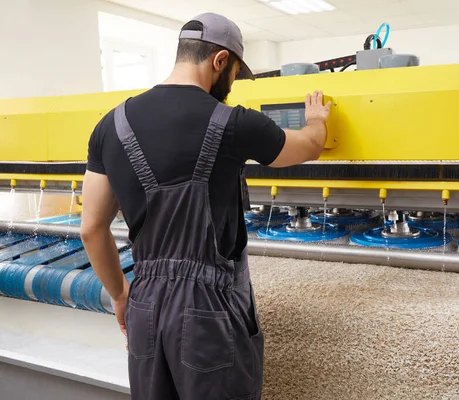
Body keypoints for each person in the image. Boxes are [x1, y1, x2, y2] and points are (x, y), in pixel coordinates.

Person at [80, 12, 331, 400]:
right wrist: (316, 119)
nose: (231, 86)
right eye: (233, 74)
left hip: (144, 304)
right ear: (220, 61)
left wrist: (120, 295)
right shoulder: (235, 123)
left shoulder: (110, 125)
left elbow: (91, 228)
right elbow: (309, 146)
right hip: (207, 311)